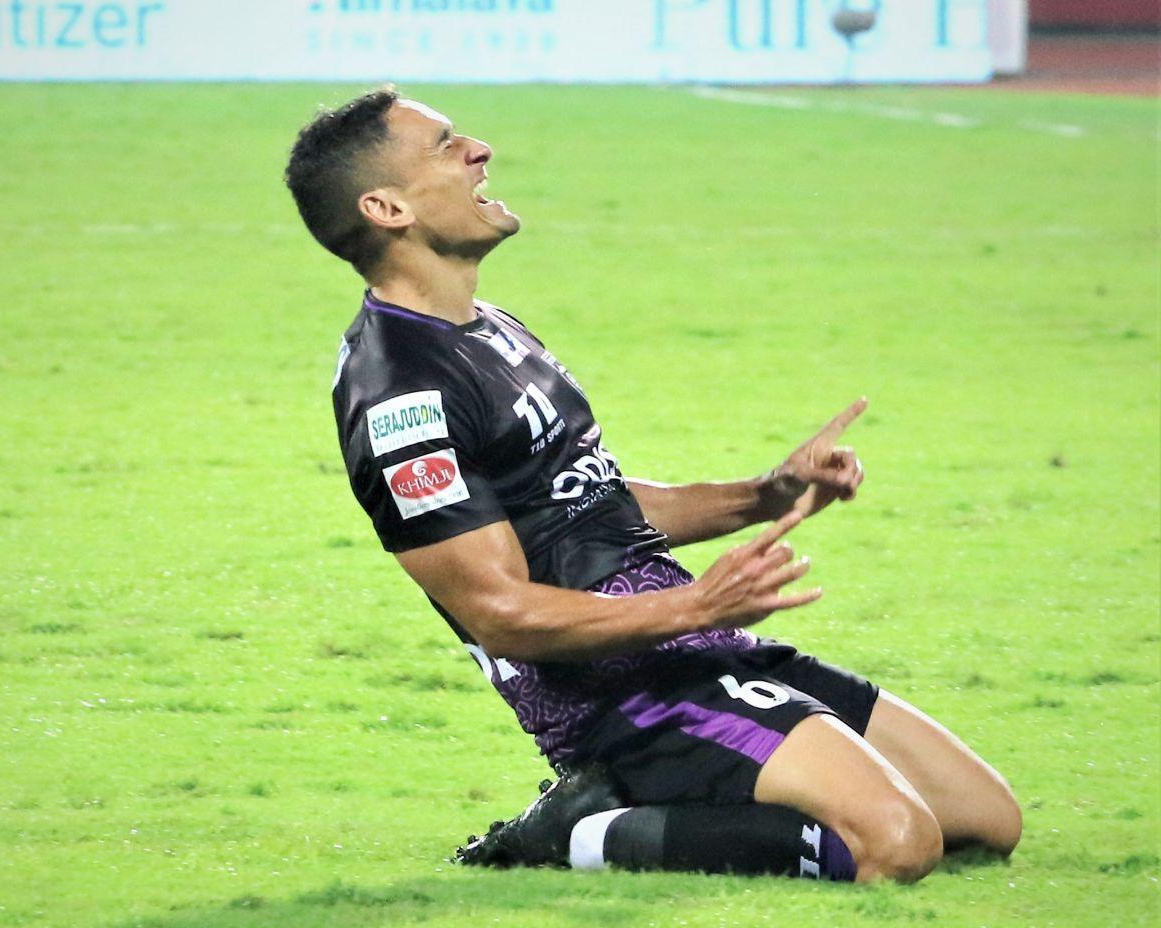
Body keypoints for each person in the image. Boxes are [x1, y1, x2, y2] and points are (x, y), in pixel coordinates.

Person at [284, 88, 1022, 884]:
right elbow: (498, 613)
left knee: (985, 820)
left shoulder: (490, 326)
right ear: (386, 206)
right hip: (618, 697)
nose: (479, 148)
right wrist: (696, 605)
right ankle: (578, 833)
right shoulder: (399, 395)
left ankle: (684, 800)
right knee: (897, 843)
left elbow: (597, 501)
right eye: (444, 144)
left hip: (689, 644)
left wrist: (767, 492)